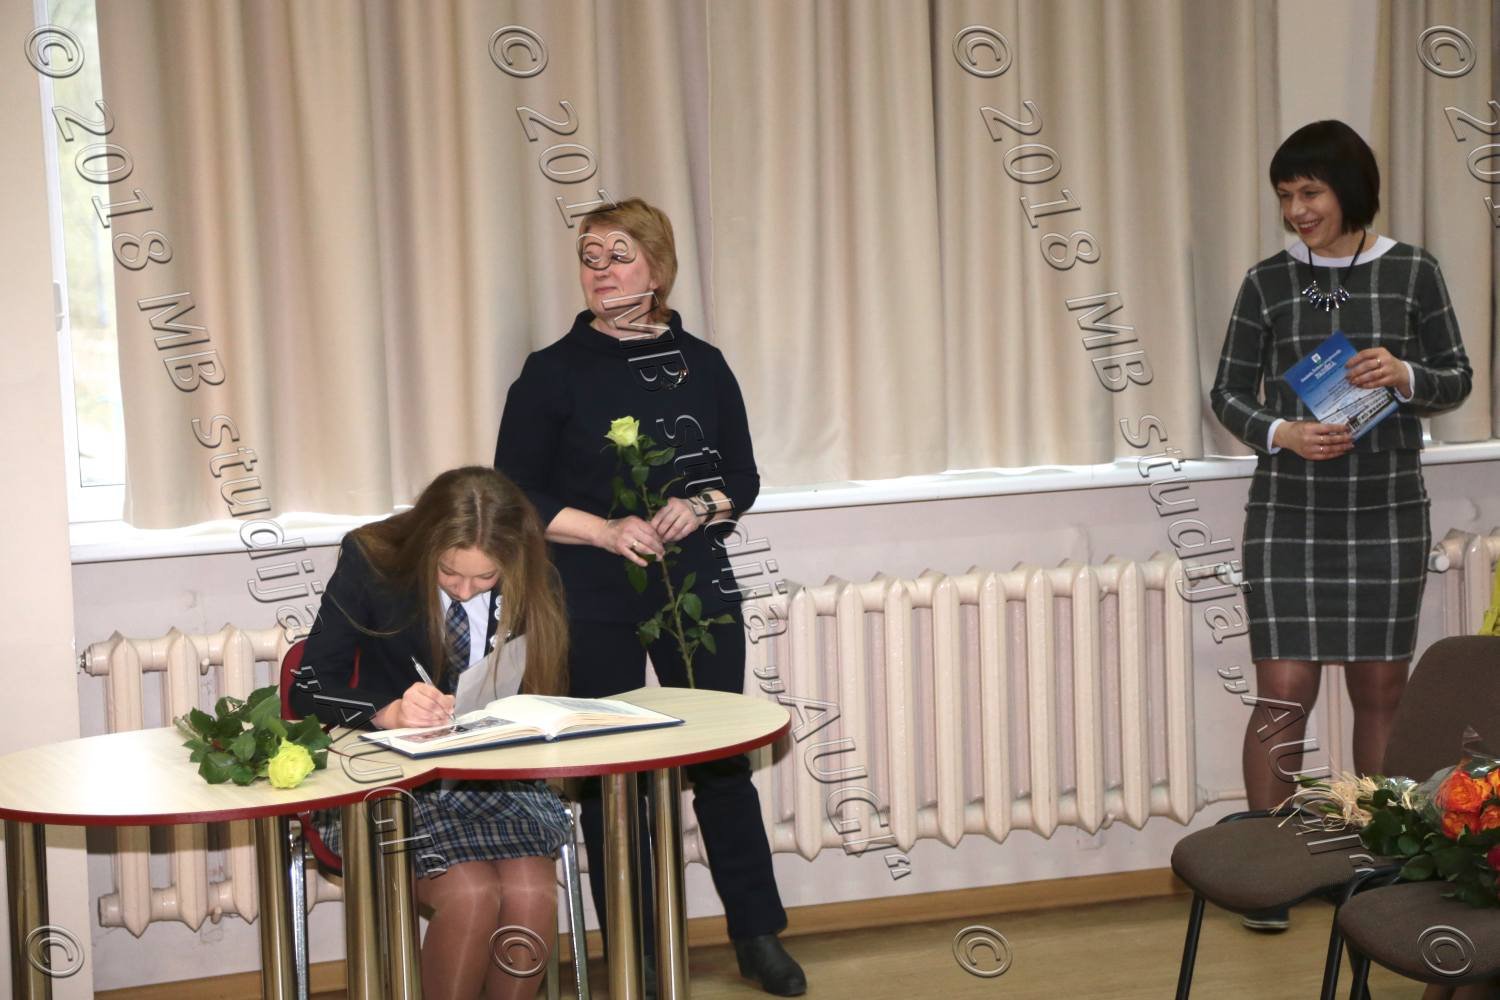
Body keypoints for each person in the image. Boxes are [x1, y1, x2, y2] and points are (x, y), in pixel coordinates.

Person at [494, 197, 805, 996]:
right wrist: (603, 531)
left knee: (722, 764)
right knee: (614, 777)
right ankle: (636, 950)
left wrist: (701, 506)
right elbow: (514, 494)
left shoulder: (703, 364)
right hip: (588, 593)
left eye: (620, 254)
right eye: (590, 257)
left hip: (694, 586)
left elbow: (741, 477)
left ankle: (756, 935)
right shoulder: (551, 371)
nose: (602, 271)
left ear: (658, 268)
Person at [1210, 120, 1472, 932]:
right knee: (1283, 694)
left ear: (1348, 189)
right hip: (1289, 510)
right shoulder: (1266, 281)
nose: (1297, 210)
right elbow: (1226, 393)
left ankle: (1377, 869)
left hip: (1386, 508)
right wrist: (1282, 431)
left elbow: (1457, 377)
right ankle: (1265, 878)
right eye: (1286, 195)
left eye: (1310, 192)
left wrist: (1405, 373)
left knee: (1380, 693)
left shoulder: (1413, 270)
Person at [287, 466, 573, 1000]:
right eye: (449, 572)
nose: (464, 591)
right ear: (426, 547)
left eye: (485, 578)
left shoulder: (539, 580)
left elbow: (554, 690)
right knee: (471, 896)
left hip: (495, 779)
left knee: (532, 894)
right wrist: (387, 711)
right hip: (391, 782)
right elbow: (309, 686)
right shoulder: (372, 563)